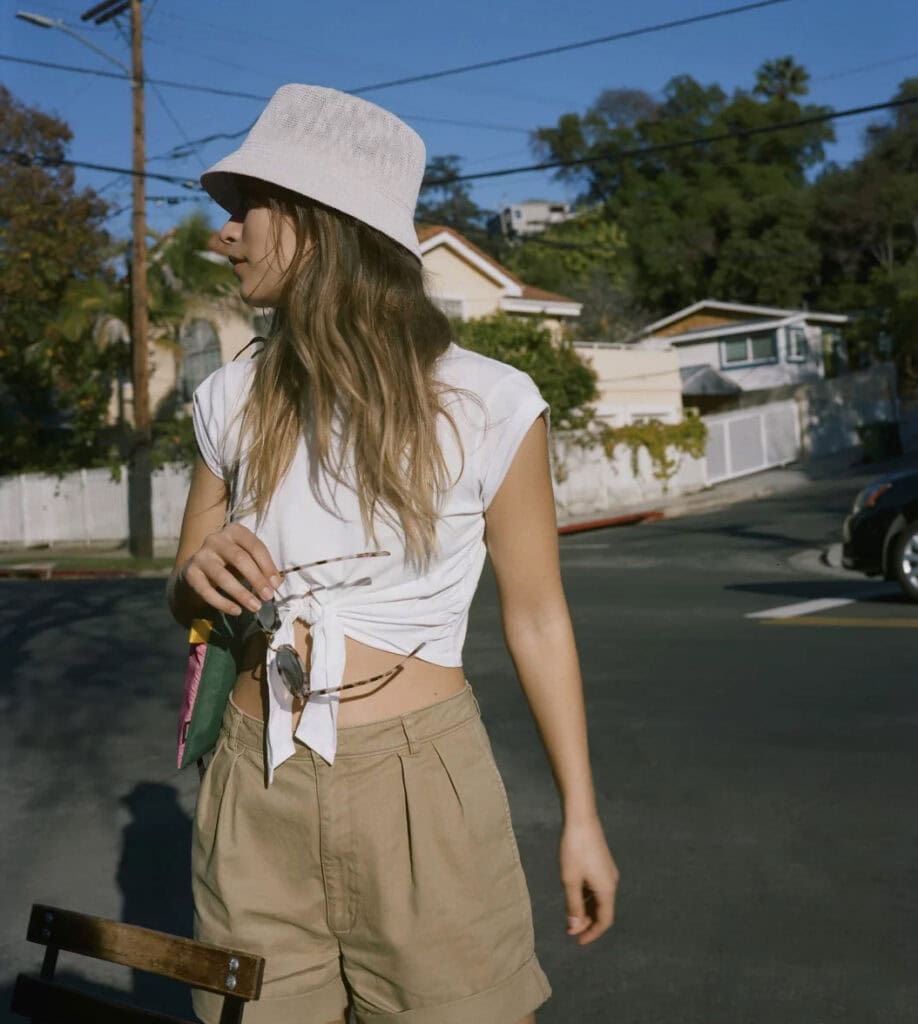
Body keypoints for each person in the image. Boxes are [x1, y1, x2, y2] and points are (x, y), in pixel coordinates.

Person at [166, 83, 618, 1024]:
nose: (226, 234)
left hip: (424, 791)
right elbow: (185, 592)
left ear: (317, 224)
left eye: (245, 208)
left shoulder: (488, 402)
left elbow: (537, 615)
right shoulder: (228, 399)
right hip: (253, 787)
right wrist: (197, 577)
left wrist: (581, 817)